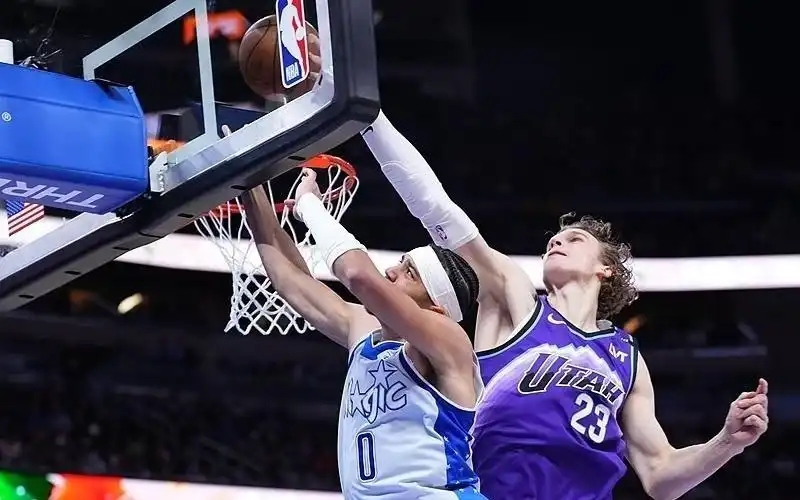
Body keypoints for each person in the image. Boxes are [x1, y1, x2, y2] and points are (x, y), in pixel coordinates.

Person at [361, 111, 770, 499]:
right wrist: (370, 119)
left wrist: (727, 442)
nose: (557, 241)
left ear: (605, 269)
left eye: (576, 240)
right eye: (554, 239)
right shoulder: (514, 300)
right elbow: (438, 209)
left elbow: (660, 475)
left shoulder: (626, 358)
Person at [240, 170, 486, 499]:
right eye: (401, 262)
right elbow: (291, 280)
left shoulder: (448, 340)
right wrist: (249, 184)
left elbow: (358, 275)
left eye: (409, 273)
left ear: (435, 308)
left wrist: (308, 205)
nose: (391, 271)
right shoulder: (363, 329)